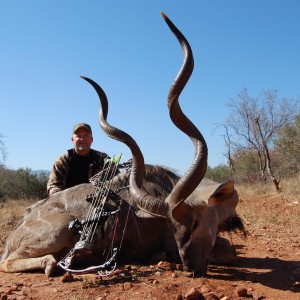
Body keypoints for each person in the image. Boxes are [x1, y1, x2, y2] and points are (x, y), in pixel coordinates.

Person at [47, 122, 110, 196]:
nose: (82, 139)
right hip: (69, 204)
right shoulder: (62, 161)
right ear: (72, 139)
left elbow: (117, 181)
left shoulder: (104, 159)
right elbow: (53, 187)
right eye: (78, 136)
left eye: (86, 136)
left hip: (98, 203)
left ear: (92, 139)